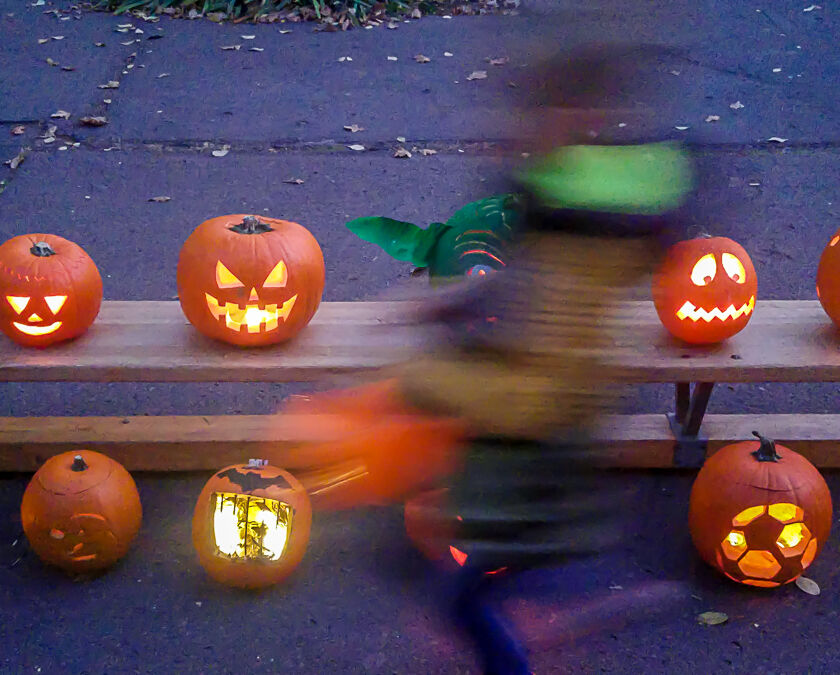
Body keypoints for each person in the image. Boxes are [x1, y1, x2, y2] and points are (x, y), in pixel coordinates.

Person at [293, 44, 701, 674]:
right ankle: (573, 595)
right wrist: (449, 304)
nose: (508, 138)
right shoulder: (568, 209)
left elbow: (542, 378)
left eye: (526, 121)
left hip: (538, 454)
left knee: (471, 591)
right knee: (476, 567)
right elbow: (526, 292)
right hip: (526, 443)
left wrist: (424, 379)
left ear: (577, 121)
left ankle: (567, 611)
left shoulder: (582, 230)